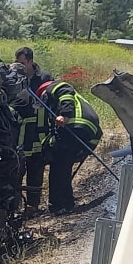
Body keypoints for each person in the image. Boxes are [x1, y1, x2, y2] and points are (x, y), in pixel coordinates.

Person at [38, 79, 102, 215]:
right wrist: (86, 150)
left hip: (73, 125)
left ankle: (58, 205)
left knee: (58, 166)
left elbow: (66, 93)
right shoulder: (83, 104)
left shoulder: (53, 87)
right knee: (64, 166)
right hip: (85, 129)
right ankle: (67, 203)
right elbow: (99, 132)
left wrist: (64, 115)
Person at [14, 48, 53, 213]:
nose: (20, 67)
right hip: (20, 134)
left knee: (36, 170)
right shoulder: (14, 80)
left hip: (39, 133)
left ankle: (33, 206)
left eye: (22, 63)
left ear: (30, 61)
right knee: (16, 171)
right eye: (17, 63)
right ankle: (15, 205)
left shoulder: (44, 78)